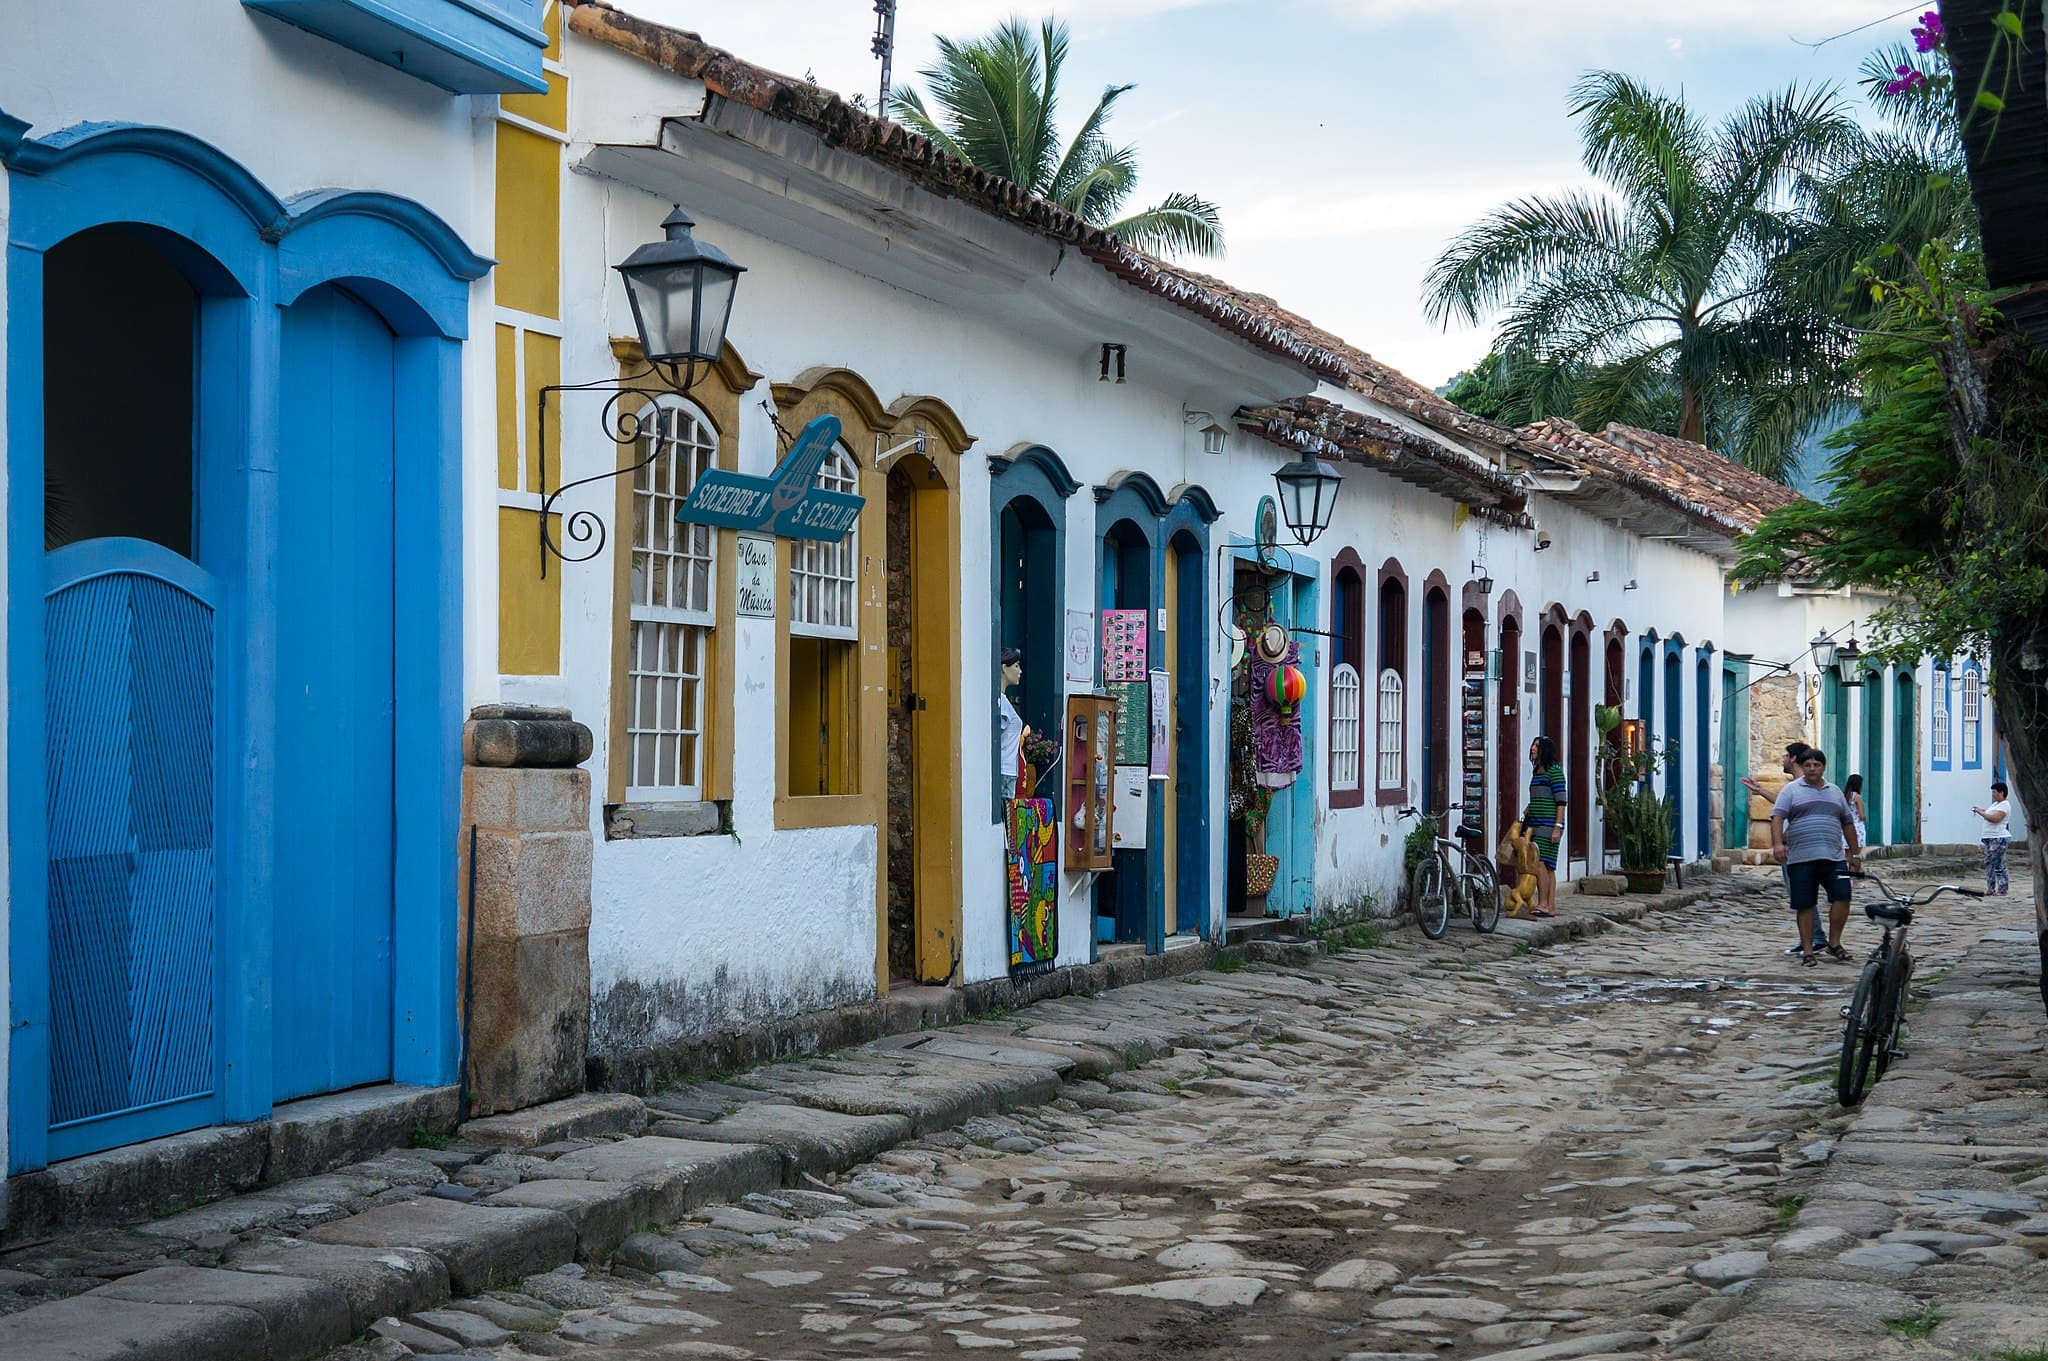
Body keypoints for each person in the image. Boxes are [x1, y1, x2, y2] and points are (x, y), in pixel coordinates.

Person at [1771, 747, 1862, 967]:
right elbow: (1777, 816)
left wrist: (1854, 853)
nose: (1812, 769)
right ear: (1802, 767)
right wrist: (1777, 844)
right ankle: (1809, 950)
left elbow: (1847, 822)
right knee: (1806, 903)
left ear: (1823, 767)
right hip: (1801, 857)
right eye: (1808, 765)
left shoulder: (1834, 792)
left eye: (1816, 764)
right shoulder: (1791, 791)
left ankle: (1834, 942)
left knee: (1843, 896)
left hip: (1833, 856)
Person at [1526, 735, 1567, 919]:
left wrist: (1557, 826)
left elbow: (1560, 801)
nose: (1533, 748)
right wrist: (1530, 806)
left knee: (1541, 863)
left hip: (1549, 824)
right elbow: (1541, 795)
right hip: (1535, 822)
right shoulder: (1537, 772)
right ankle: (1550, 906)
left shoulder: (1555, 772)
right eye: (1533, 745)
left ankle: (1543, 903)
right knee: (1548, 867)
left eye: (1537, 746)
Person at [1972, 781, 2013, 896]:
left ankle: (2002, 888)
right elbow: (1989, 812)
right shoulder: (1995, 804)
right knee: (1989, 863)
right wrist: (1980, 809)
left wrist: (1980, 812)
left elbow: (1995, 818)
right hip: (1989, 838)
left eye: (1995, 792)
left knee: (1998, 864)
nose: (1993, 794)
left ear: (2002, 792)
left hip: (1998, 838)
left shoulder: (2005, 805)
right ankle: (1990, 888)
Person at [997, 647, 1024, 799]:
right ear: (1004, 668)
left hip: (1008, 770)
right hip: (1004, 770)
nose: (1020, 671)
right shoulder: (1000, 702)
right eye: (1016, 666)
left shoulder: (1003, 701)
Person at [1843, 773, 1868, 854]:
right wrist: (1864, 817)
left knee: (1847, 853)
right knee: (1856, 854)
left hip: (1846, 826)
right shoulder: (1857, 797)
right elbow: (1861, 815)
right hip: (1857, 827)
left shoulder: (1844, 796)